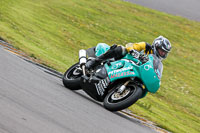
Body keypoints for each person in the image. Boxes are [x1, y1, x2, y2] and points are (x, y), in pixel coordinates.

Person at [85, 36, 172, 69]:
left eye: (164, 52)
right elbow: (130, 45)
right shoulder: (146, 46)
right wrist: (132, 51)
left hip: (131, 69)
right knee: (121, 49)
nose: (162, 54)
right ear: (156, 46)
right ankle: (95, 61)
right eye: (161, 51)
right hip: (123, 59)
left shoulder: (156, 62)